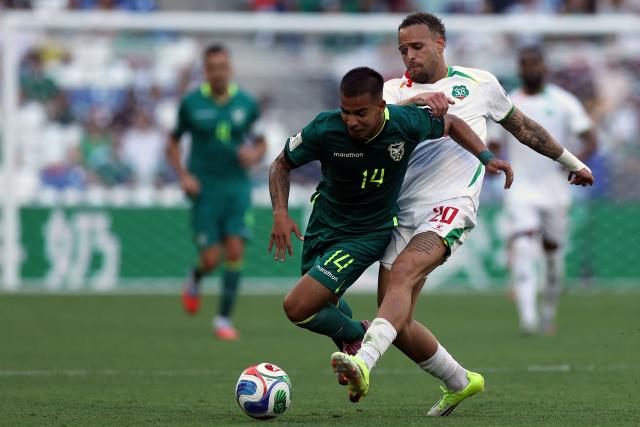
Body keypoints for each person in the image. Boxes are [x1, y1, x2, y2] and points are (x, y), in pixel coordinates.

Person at [330, 12, 595, 415]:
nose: (410, 56)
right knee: (397, 322)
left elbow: (524, 128)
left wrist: (572, 162)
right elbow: (364, 141)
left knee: (403, 275)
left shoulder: (479, 84)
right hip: (401, 213)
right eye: (403, 49)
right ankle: (460, 381)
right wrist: (415, 103)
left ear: (440, 43)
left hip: (451, 207)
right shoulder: (388, 92)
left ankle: (363, 363)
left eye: (417, 46)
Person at [269, 66, 512, 386]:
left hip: (367, 234)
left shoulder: (402, 123)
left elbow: (450, 123)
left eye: (360, 113)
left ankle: (361, 335)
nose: (351, 121)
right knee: (323, 304)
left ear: (382, 106)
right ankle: (354, 340)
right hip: (323, 226)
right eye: (346, 112)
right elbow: (281, 164)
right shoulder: (325, 128)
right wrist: (280, 214)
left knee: (297, 306)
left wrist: (485, 156)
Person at [493, 46, 597, 335]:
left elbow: (590, 137)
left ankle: (547, 315)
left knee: (553, 258)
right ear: (519, 69)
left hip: (555, 191)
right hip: (520, 188)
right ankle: (528, 319)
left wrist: (575, 164)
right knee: (524, 247)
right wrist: (491, 161)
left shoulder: (564, 102)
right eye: (525, 64)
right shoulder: (508, 103)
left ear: (544, 68)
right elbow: (494, 143)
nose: (530, 69)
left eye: (535, 64)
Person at [167, 44, 266, 340]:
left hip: (236, 187)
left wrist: (254, 154)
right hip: (205, 188)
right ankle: (196, 276)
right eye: (212, 68)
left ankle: (223, 319)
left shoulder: (246, 103)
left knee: (235, 249)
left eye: (222, 67)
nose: (218, 73)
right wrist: (183, 176)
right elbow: (172, 143)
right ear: (205, 70)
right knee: (211, 259)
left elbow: (261, 142)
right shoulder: (191, 104)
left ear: (230, 68)